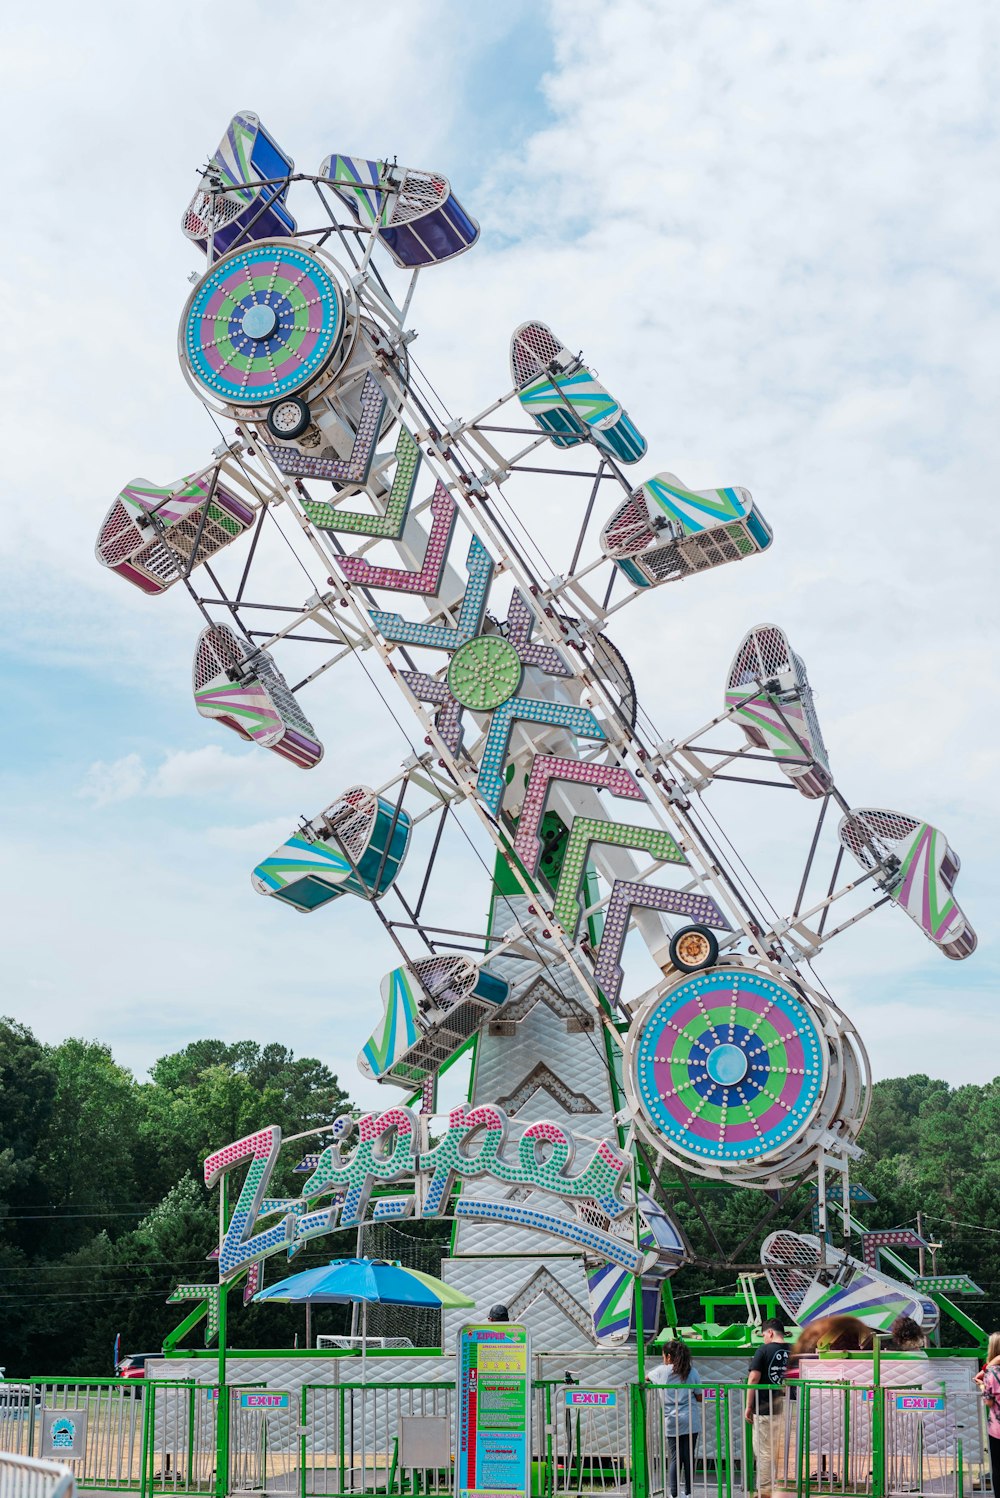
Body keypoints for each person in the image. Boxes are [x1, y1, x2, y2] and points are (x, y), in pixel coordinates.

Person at [649, 1340, 702, 1498]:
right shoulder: (691, 1371)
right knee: (688, 1457)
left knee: (675, 1458)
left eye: (663, 1355)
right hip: (690, 1418)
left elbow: (645, 1378)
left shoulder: (660, 1371)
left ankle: (673, 1494)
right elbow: (699, 1396)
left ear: (669, 1356)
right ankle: (689, 1493)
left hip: (671, 1419)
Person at [746, 1317, 789, 1497]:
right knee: (780, 1452)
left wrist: (749, 1406)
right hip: (787, 1410)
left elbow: (754, 1378)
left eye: (764, 1334)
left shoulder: (763, 1350)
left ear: (769, 1332)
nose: (764, 1338)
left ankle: (764, 1492)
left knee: (764, 1453)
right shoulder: (793, 1350)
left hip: (764, 1410)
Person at [975, 1331, 1000, 1496]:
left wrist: (982, 1387)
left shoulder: (992, 1373)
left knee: (998, 1469)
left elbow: (989, 1401)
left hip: (997, 1431)